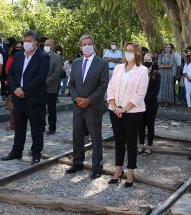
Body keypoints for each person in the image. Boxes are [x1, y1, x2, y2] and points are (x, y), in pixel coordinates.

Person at [0, 30, 49, 164]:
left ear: (36, 43)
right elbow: (10, 74)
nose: (26, 44)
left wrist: (24, 90)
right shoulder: (18, 56)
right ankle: (16, 152)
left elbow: (41, 77)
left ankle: (36, 154)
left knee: (36, 129)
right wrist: (15, 89)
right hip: (18, 98)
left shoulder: (43, 57)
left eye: (29, 41)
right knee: (19, 127)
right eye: (25, 41)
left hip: (34, 99)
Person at [66, 35, 109, 179]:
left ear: (94, 45)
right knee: (77, 135)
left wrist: (89, 100)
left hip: (93, 107)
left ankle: (97, 167)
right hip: (78, 106)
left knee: (95, 137)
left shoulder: (102, 63)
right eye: (84, 44)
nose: (87, 46)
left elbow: (103, 85)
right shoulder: (76, 63)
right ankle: (78, 162)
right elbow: (71, 84)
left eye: (89, 43)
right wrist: (75, 97)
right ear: (80, 47)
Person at [107, 42, 148, 187]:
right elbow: (110, 87)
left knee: (131, 142)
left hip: (132, 112)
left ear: (137, 53)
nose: (128, 53)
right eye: (126, 50)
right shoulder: (118, 68)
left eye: (131, 50)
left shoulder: (142, 70)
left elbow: (140, 94)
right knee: (118, 141)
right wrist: (114, 106)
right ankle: (118, 170)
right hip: (114, 110)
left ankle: (130, 172)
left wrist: (124, 109)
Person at [138, 54, 160, 156]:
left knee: (150, 125)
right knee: (141, 125)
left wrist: (146, 101)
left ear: (153, 61)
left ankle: (149, 147)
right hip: (140, 104)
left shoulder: (157, 74)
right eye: (145, 59)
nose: (146, 61)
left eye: (149, 59)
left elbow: (156, 91)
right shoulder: (140, 73)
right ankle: (141, 145)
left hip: (151, 104)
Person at [44, 39, 63, 135]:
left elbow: (56, 74)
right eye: (45, 44)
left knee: (51, 109)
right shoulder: (40, 56)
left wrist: (45, 82)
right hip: (40, 88)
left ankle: (52, 127)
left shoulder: (57, 58)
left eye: (49, 44)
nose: (46, 46)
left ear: (53, 45)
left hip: (51, 88)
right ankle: (41, 126)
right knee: (40, 108)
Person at [3, 40, 23, 131]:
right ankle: (12, 123)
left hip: (22, 85)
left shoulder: (25, 57)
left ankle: (19, 123)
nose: (18, 49)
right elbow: (7, 70)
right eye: (17, 47)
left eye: (20, 47)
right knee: (12, 106)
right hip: (12, 85)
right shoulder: (11, 57)